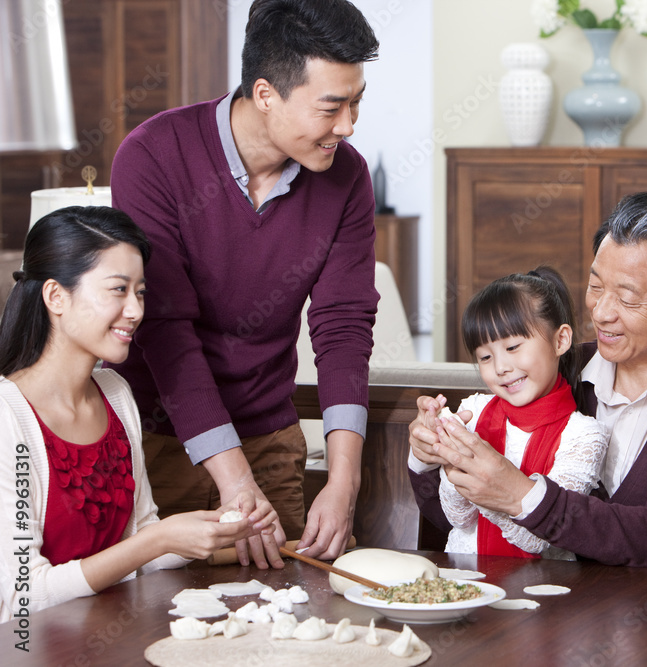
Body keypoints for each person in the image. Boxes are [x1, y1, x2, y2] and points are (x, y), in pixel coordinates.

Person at [107, 0, 380, 568]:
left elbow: (344, 327)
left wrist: (342, 480)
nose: (348, 127)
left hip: (270, 441)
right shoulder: (153, 156)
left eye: (356, 104)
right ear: (264, 94)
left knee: (281, 622)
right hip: (155, 442)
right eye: (332, 108)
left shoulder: (347, 177)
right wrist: (232, 481)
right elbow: (164, 329)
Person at [409, 193, 647, 568]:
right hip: (555, 607)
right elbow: (459, 520)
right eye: (596, 286)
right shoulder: (554, 369)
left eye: (627, 299)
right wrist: (429, 457)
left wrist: (520, 495)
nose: (600, 313)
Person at [0, 207, 268, 622]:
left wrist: (217, 531)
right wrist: (157, 540)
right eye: (118, 290)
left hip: (111, 640)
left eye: (140, 292)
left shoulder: (115, 393)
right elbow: (24, 596)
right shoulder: (7, 417)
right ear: (55, 296)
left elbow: (141, 547)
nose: (135, 310)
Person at [416, 267, 608, 559]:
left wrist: (482, 473)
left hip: (543, 591)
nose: (501, 367)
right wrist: (448, 453)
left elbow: (538, 539)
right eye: (485, 356)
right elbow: (458, 519)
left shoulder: (584, 436)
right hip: (465, 578)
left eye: (513, 346)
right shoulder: (474, 410)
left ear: (561, 340)